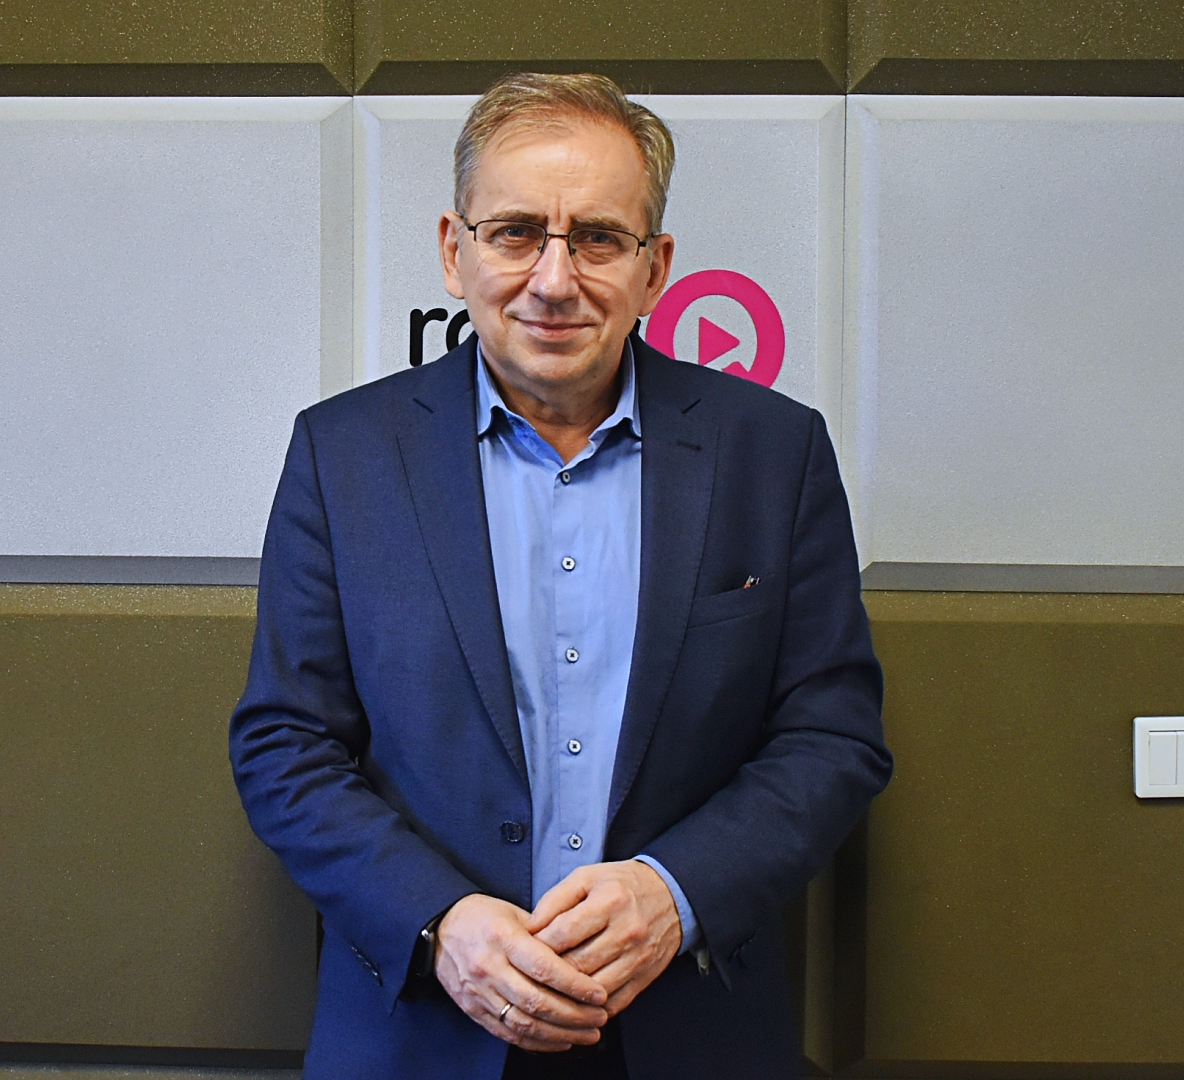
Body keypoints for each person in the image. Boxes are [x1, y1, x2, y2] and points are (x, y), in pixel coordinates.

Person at [230, 72, 890, 1080]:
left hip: (690, 1030)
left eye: (597, 239)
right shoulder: (344, 454)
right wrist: (437, 919)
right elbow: (285, 742)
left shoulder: (773, 453)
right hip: (422, 1030)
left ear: (654, 267)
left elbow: (832, 736)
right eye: (515, 233)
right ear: (453, 251)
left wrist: (675, 892)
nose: (553, 279)